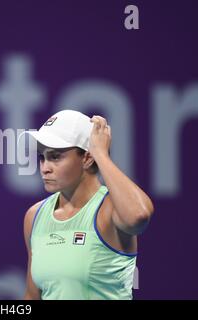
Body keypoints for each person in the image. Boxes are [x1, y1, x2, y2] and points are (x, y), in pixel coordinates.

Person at [21, 109, 154, 300]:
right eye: (42, 157)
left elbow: (139, 216)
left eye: (55, 157)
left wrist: (101, 154)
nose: (45, 168)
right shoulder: (34, 216)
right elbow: (32, 296)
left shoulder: (110, 209)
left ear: (87, 158)